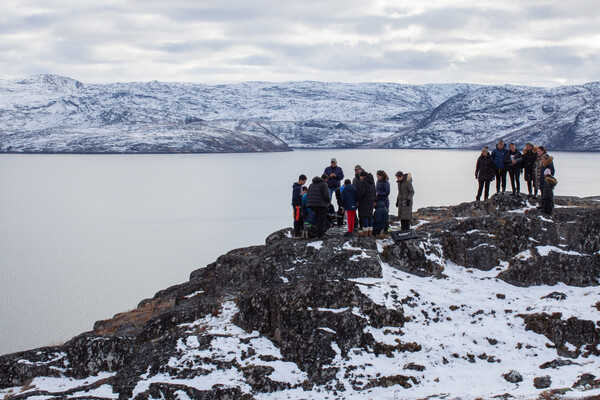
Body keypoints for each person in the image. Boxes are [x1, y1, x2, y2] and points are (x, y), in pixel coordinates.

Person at [357, 170, 375, 237]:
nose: (360, 178)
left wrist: (358, 200)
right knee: (370, 216)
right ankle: (370, 232)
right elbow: (374, 191)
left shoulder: (364, 182)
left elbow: (362, 193)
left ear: (362, 176)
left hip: (364, 201)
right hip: (371, 201)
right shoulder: (372, 181)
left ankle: (365, 232)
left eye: (360, 177)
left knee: (365, 217)